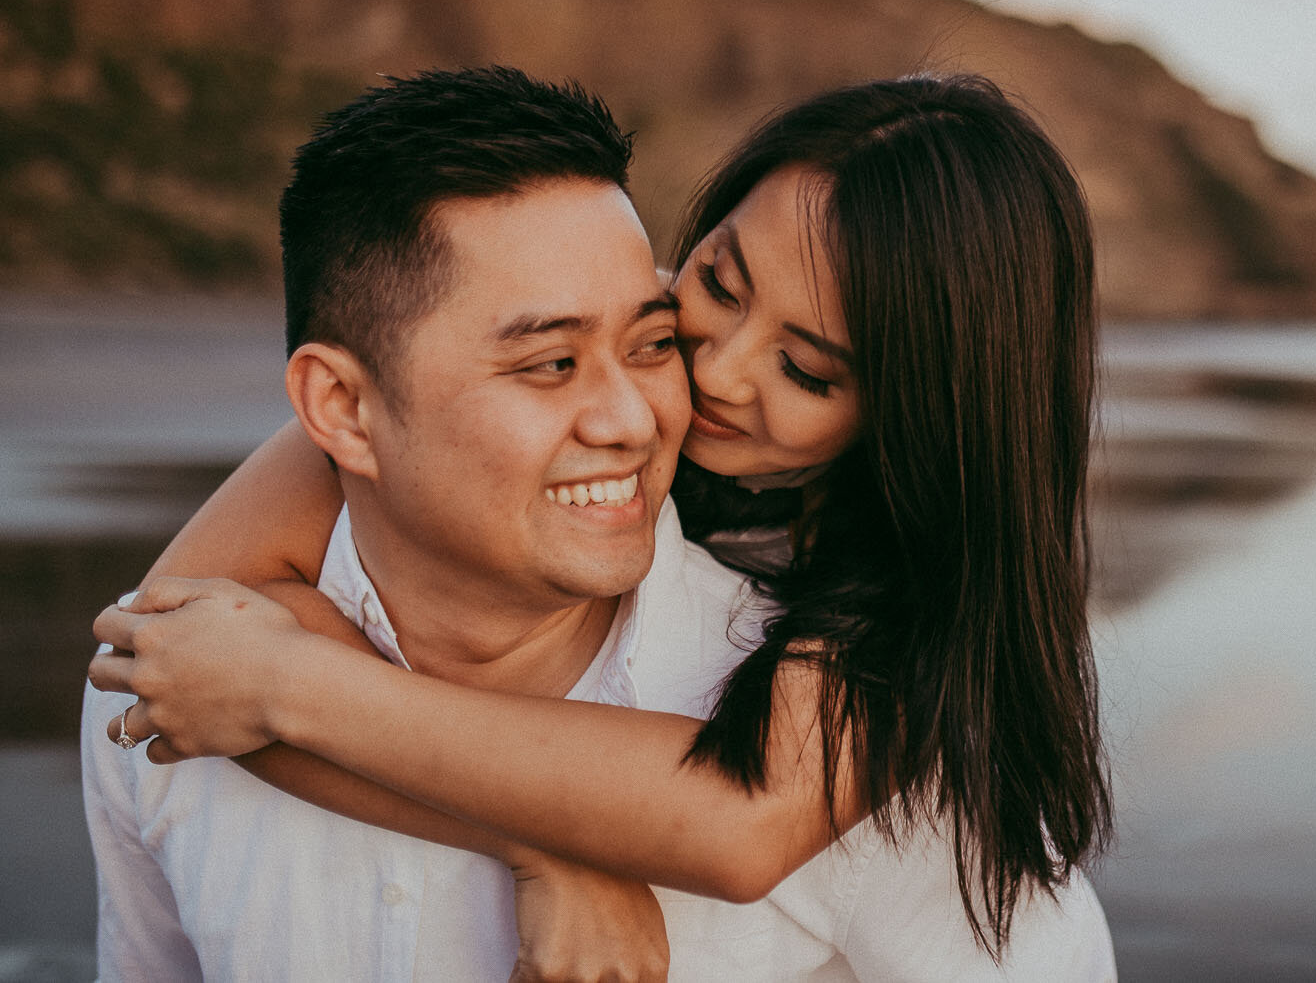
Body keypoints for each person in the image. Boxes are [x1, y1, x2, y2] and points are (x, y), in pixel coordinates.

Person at [89, 69, 1116, 980]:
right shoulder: (414, 425)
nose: (712, 369)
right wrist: (542, 842)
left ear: (912, 418)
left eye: (806, 370)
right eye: (712, 286)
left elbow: (734, 827)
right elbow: (180, 655)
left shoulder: (900, 632)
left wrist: (285, 682)